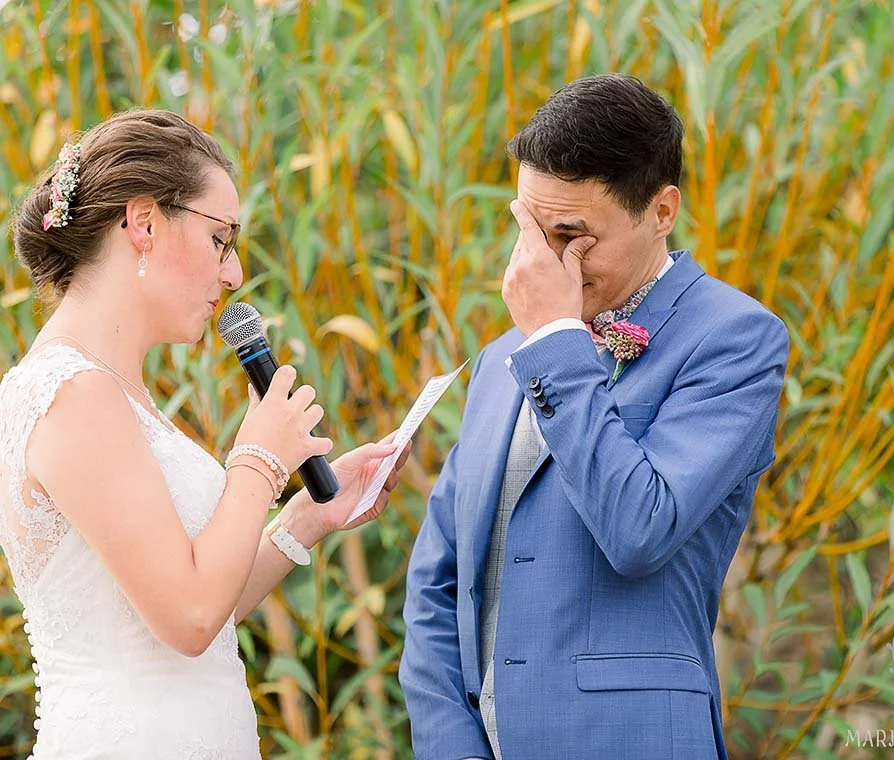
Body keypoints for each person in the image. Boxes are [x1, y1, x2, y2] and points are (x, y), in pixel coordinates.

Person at [399, 74, 790, 759]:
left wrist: (554, 343)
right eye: (529, 228)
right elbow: (439, 579)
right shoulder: (501, 359)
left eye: (573, 236)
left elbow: (639, 528)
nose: (545, 260)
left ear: (661, 211)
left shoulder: (735, 339)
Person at [0, 109, 409, 758]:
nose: (234, 273)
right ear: (144, 223)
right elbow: (188, 618)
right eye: (221, 239)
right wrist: (259, 460)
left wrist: (305, 519)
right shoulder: (74, 395)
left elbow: (196, 612)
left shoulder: (114, 391)